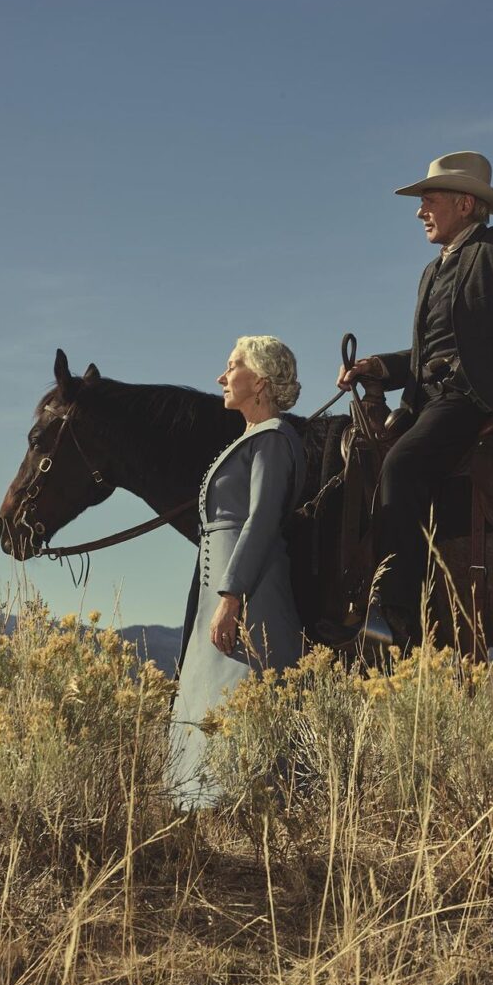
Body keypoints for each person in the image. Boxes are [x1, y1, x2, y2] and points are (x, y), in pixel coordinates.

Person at [337, 151, 493, 643]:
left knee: (402, 465)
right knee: (354, 456)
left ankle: (394, 611)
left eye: (430, 201)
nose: (420, 211)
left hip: (477, 399)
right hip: (429, 398)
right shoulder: (432, 271)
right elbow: (432, 353)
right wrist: (380, 366)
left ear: (466, 203)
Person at [168, 335, 307, 809]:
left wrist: (231, 597)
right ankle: (206, 802)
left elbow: (263, 518)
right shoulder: (256, 438)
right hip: (227, 588)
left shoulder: (272, 440)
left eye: (233, 367)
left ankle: (251, 804)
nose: (222, 377)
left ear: (261, 382)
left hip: (251, 592)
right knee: (215, 690)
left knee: (244, 688)